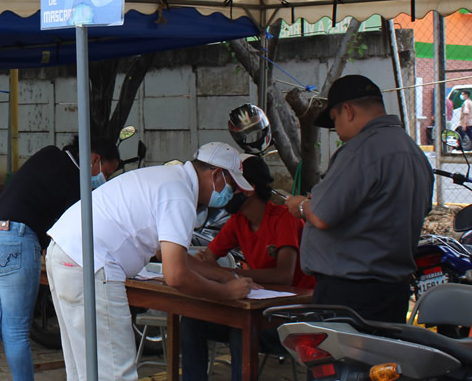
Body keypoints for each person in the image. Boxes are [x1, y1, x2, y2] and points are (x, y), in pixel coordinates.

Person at [46, 142, 256, 381]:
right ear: (216, 175)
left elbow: (166, 254)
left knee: (87, 371)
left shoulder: (169, 179)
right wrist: (226, 293)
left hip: (67, 252)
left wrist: (225, 276)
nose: (232, 195)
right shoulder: (181, 195)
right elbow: (176, 275)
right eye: (232, 187)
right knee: (116, 372)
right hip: (91, 262)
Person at [0, 137, 121, 381]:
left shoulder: (50, 154)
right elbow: (74, 234)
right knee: (16, 331)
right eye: (106, 173)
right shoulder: (76, 183)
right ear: (94, 160)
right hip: (14, 241)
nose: (104, 180)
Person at [285, 74, 432, 323]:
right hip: (393, 289)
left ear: (348, 111)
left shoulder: (361, 150)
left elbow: (321, 215)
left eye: (334, 121)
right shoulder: (413, 151)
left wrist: (300, 205)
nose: (337, 132)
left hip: (350, 293)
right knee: (381, 360)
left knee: (341, 361)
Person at [181, 155, 314, 381]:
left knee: (241, 332)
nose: (222, 188)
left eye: (229, 183)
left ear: (249, 188)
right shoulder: (238, 221)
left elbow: (284, 275)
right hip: (257, 311)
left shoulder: (284, 219)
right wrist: (209, 268)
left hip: (293, 313)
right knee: (191, 322)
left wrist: (231, 274)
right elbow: (209, 258)